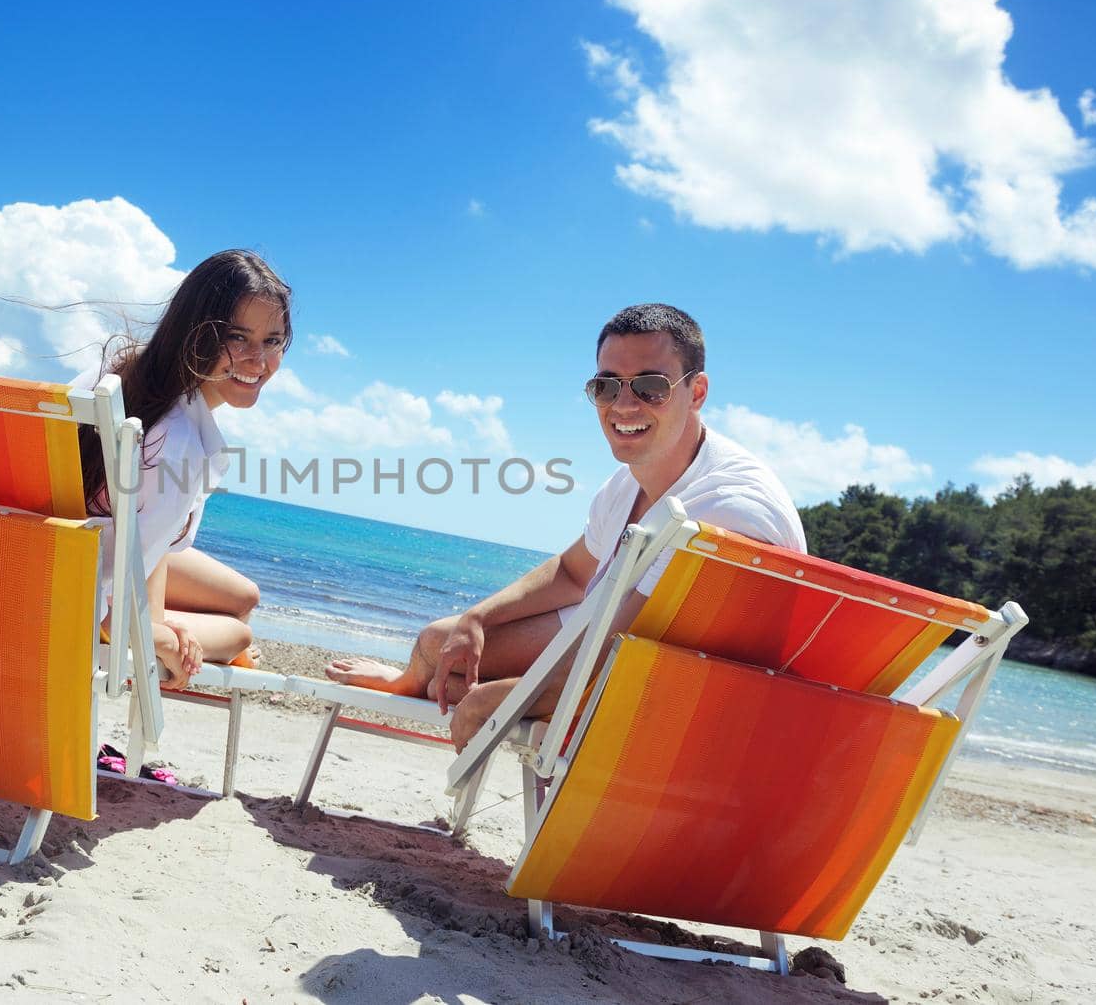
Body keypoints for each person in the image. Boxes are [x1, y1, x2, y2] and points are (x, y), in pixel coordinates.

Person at [324, 303, 806, 748]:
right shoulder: (628, 483)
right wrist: (476, 619)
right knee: (440, 642)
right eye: (607, 385)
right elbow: (575, 575)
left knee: (468, 691)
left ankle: (437, 687)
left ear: (695, 392)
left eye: (650, 386)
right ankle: (412, 680)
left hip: (677, 700)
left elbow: (622, 660)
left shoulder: (726, 511)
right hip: (624, 655)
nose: (624, 404)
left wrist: (503, 697)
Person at [73, 249, 291, 689]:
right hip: (86, 593)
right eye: (237, 337)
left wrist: (155, 623)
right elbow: (123, 589)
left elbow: (142, 543)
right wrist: (165, 639)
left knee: (243, 598)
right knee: (238, 632)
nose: (258, 360)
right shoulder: (180, 444)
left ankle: (172, 628)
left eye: (272, 341)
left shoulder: (121, 375)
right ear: (196, 333)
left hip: (75, 554)